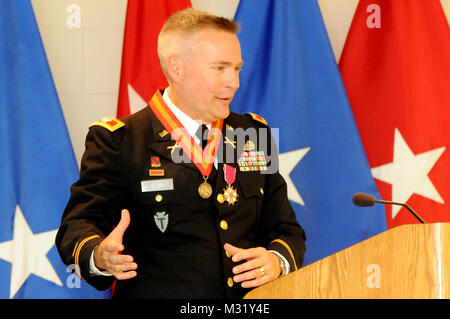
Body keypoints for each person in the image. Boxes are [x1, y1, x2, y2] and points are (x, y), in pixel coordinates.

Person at [55, 8, 306, 299]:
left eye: (236, 68)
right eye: (219, 68)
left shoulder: (253, 134)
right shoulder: (119, 141)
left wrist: (277, 260)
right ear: (177, 68)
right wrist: (98, 255)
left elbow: (287, 229)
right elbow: (75, 227)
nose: (233, 82)